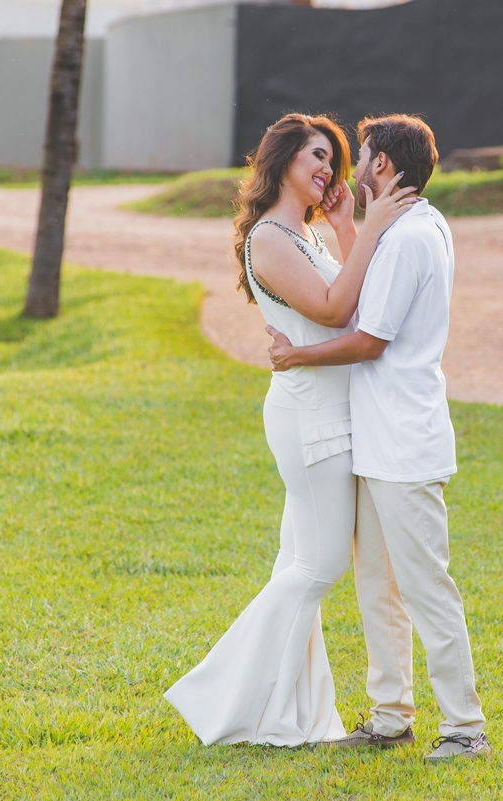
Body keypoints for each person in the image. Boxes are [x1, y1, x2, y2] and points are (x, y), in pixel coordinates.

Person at [163, 113, 418, 746]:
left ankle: (281, 711)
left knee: (297, 562)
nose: (329, 168)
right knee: (321, 567)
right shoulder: (272, 239)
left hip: (331, 415)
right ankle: (214, 692)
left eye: (333, 158)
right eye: (316, 156)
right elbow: (334, 310)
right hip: (310, 419)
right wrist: (377, 225)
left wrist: (346, 227)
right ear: (280, 163)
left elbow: (353, 308)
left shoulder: (305, 234)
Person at [266, 114, 489, 762]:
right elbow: (366, 303)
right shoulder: (406, 229)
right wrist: (346, 226)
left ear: (384, 166)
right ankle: (391, 716)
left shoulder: (410, 238)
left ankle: (465, 728)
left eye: (360, 156)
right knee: (377, 586)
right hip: (380, 443)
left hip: (404, 447)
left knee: (425, 588)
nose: (349, 167)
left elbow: (367, 335)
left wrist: (296, 358)